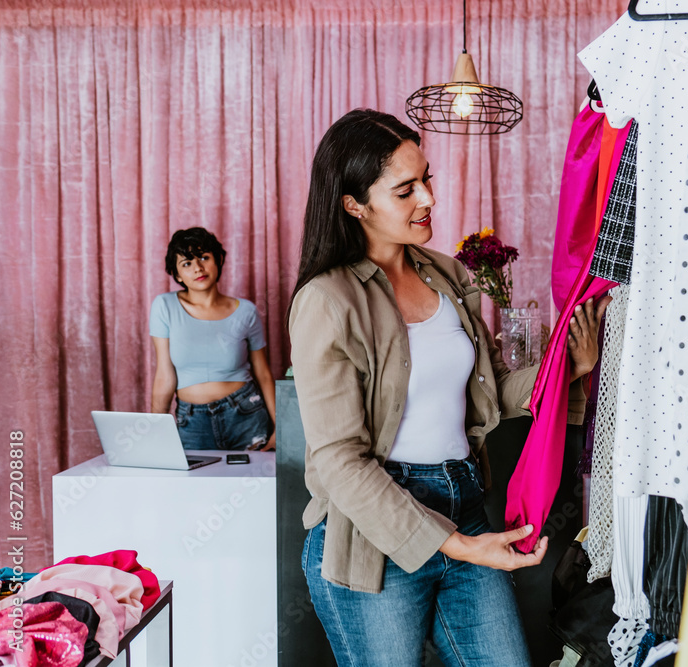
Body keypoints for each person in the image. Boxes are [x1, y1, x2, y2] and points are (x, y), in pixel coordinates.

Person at [288, 108, 609, 666]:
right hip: (374, 533)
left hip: (463, 503)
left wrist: (569, 369)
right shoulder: (327, 300)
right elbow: (340, 461)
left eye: (427, 179)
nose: (428, 199)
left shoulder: (447, 274)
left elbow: (487, 393)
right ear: (354, 204)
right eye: (405, 190)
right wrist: (458, 546)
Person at [150, 227, 276, 451]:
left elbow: (263, 373)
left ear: (218, 260)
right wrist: (156, 432)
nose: (198, 267)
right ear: (177, 275)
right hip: (191, 420)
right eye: (186, 263)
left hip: (246, 414)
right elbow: (164, 375)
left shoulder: (247, 311)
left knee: (256, 484)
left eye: (203, 257)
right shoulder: (164, 306)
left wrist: (281, 428)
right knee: (194, 485)